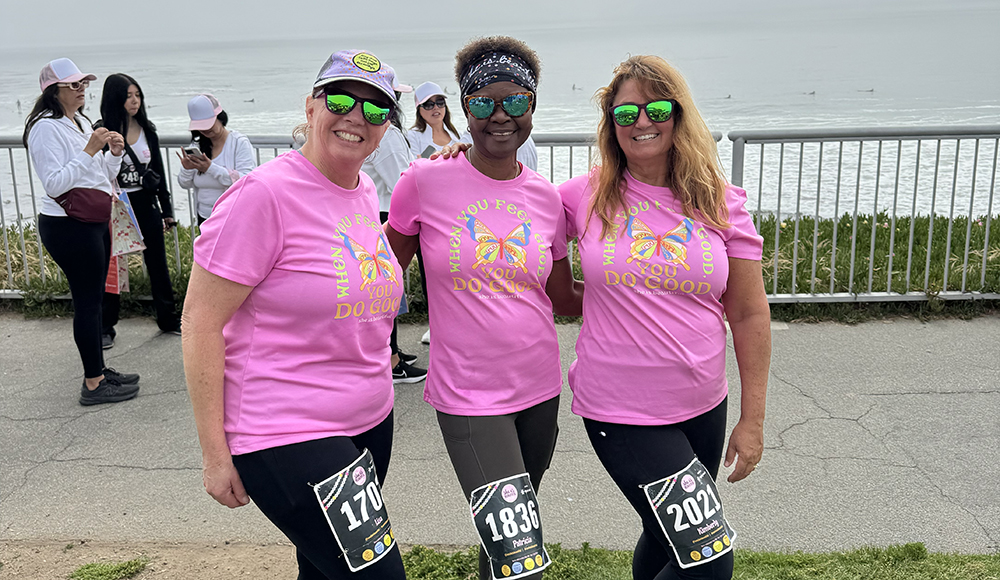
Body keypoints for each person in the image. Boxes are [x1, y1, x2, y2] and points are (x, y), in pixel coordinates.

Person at [182, 49, 408, 580]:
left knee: (323, 568)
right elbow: (200, 322)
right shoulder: (262, 195)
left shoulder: (363, 189)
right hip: (285, 429)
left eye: (376, 109)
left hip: (367, 422)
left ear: (386, 129)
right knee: (378, 575)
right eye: (341, 99)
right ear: (311, 106)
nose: (357, 116)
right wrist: (215, 453)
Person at [559, 55, 771, 579]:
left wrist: (753, 419)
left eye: (656, 108)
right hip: (620, 409)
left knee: (665, 539)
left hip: (703, 403)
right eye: (624, 112)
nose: (641, 122)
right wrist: (459, 158)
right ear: (611, 123)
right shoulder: (582, 196)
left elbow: (746, 313)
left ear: (679, 115)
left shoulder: (720, 203)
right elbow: (507, 202)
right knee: (707, 555)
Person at [385, 36, 582, 580]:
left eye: (516, 102)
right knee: (521, 553)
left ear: (533, 107)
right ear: (462, 108)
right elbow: (376, 277)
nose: (501, 116)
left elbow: (564, 298)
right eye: (483, 103)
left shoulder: (548, 198)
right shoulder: (424, 180)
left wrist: (651, 296)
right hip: (470, 396)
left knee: (504, 544)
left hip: (540, 390)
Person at [24, 58, 140, 405]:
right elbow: (55, 182)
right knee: (87, 303)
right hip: (67, 224)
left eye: (84, 84)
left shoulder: (78, 121)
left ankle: (99, 370)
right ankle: (93, 383)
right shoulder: (45, 128)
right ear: (53, 91)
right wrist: (91, 149)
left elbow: (97, 175)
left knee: (95, 301)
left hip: (90, 219)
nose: (82, 90)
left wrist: (114, 155)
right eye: (73, 85)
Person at [97, 73, 182, 347]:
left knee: (157, 261)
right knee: (111, 264)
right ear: (115, 99)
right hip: (115, 205)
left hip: (145, 203)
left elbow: (158, 173)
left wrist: (167, 211)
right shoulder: (102, 131)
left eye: (138, 95)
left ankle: (168, 317)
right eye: (128, 95)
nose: (134, 101)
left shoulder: (148, 130)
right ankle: (106, 325)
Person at [360, 77, 427, 384]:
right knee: (388, 285)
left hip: (380, 210)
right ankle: (391, 358)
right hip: (388, 212)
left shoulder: (384, 132)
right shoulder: (387, 135)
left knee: (386, 283)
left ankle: (393, 351)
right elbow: (400, 178)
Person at [177, 94, 256, 225]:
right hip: (205, 217)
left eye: (209, 124)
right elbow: (184, 183)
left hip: (232, 215)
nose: (206, 130)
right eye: (201, 127)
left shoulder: (238, 143)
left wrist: (210, 168)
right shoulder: (197, 146)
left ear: (220, 118)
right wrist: (187, 169)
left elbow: (246, 180)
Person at [406, 81, 462, 160]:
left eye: (440, 102)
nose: (436, 107)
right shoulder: (412, 137)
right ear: (419, 110)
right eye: (428, 104)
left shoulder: (458, 135)